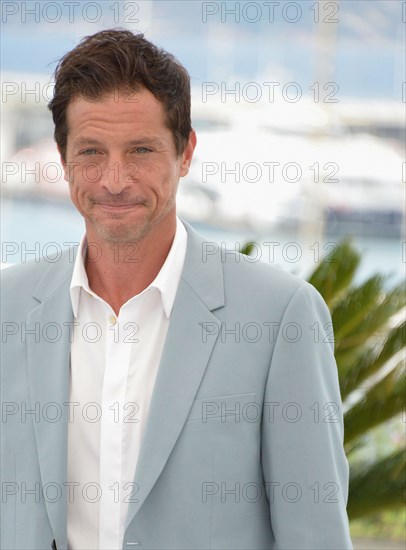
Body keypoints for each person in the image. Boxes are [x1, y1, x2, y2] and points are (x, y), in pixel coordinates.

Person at [1, 29, 353, 550]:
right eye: (91, 151)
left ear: (185, 153)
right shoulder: (8, 306)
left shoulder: (281, 317)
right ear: (63, 157)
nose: (114, 179)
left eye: (140, 149)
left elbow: (316, 537)